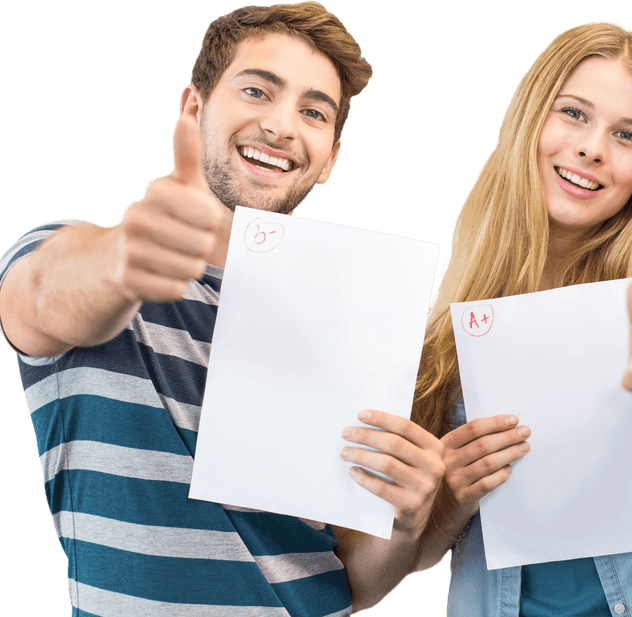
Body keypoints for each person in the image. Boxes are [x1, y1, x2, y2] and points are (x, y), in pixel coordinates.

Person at [0, 3, 445, 615]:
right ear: (193, 107)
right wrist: (125, 260)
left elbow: (341, 583)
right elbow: (45, 293)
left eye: (313, 112)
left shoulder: (355, 327)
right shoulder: (77, 253)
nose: (283, 126)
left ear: (331, 156)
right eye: (258, 90)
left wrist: (404, 522)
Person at [404, 21, 632, 617]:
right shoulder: (456, 320)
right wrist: (452, 500)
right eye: (574, 114)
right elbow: (422, 555)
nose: (593, 147)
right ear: (530, 120)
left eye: (627, 135)